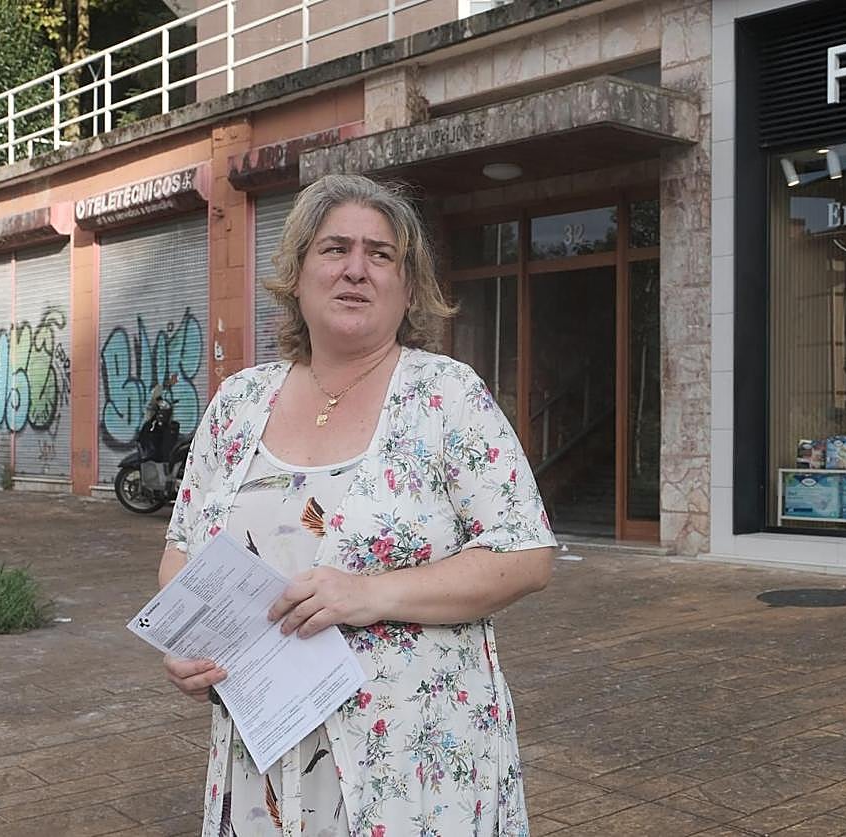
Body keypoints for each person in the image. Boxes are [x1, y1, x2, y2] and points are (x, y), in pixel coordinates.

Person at [159, 174, 556, 837]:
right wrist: (192, 645)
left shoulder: (447, 395)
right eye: (334, 248)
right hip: (268, 749)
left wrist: (367, 595)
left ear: (408, 287)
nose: (356, 269)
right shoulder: (239, 402)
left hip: (415, 755)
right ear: (297, 273)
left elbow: (526, 555)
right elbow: (182, 557)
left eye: (381, 254)